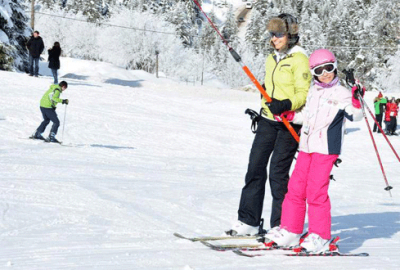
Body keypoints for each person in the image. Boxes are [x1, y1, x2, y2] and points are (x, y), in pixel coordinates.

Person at [263, 49, 364, 253]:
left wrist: (356, 98)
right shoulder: (312, 92)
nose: (326, 73)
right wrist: (290, 116)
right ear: (313, 72)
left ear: (335, 67)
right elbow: (305, 117)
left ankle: (321, 236)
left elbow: (356, 115)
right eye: (320, 70)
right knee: (295, 188)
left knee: (316, 191)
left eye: (329, 68)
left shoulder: (342, 93)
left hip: (326, 149)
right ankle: (291, 230)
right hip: (307, 146)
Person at [226, 14, 312, 236]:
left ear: (290, 35)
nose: (275, 39)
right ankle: (249, 220)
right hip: (267, 120)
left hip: (288, 122)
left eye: (279, 34)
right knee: (255, 166)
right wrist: (268, 101)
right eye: (272, 34)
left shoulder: (299, 59)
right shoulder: (271, 57)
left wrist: (284, 104)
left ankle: (282, 225)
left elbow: (303, 94)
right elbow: (270, 87)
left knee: (278, 173)